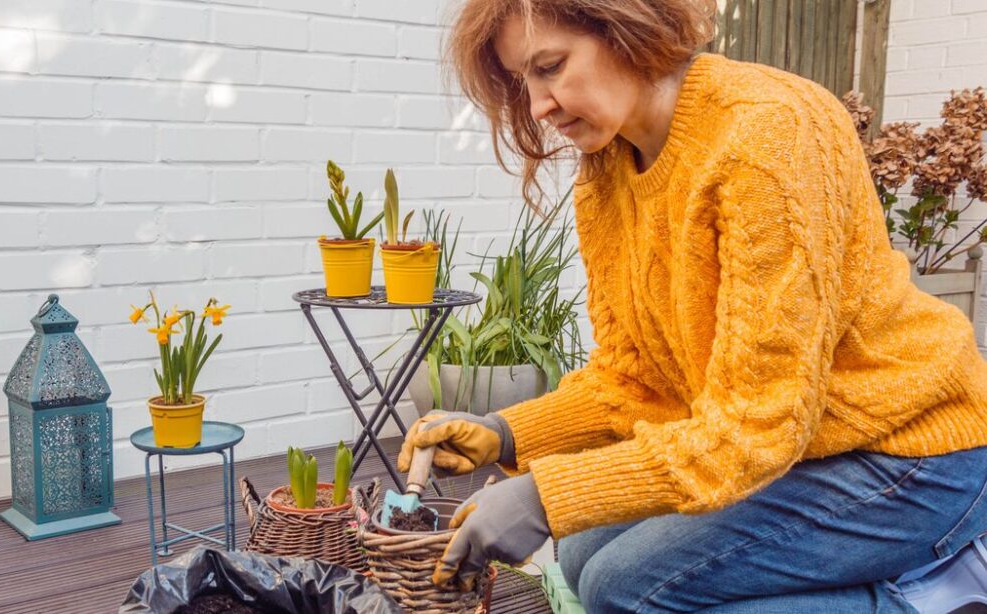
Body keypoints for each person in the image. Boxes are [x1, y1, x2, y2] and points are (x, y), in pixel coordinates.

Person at [396, 0, 987, 611]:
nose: (537, 106)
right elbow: (636, 379)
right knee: (579, 552)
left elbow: (756, 426)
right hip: (810, 446)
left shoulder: (765, 134)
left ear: (627, 28)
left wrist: (545, 496)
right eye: (522, 82)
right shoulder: (608, 171)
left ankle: (925, 599)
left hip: (913, 456)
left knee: (621, 586)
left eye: (549, 66)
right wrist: (506, 433)